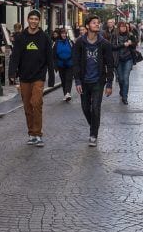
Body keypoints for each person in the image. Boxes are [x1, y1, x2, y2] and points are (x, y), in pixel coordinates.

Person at [7, 10, 55, 146]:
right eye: (31, 19)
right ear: (27, 20)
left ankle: (38, 134)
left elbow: (49, 58)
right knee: (27, 106)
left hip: (38, 76)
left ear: (39, 21)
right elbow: (15, 56)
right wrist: (12, 73)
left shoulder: (44, 37)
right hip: (24, 76)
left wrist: (51, 77)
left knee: (36, 103)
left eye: (36, 19)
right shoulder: (21, 37)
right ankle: (31, 134)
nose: (34, 21)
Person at [72, 15, 115, 147]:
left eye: (98, 22)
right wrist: (77, 81)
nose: (97, 24)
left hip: (98, 81)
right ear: (87, 26)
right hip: (84, 81)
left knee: (95, 108)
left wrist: (109, 83)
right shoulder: (79, 42)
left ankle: (93, 134)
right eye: (94, 23)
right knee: (85, 108)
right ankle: (94, 126)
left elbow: (110, 63)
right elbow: (76, 63)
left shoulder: (105, 44)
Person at [110, 21, 137, 105]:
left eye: (124, 27)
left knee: (126, 78)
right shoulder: (114, 36)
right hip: (118, 59)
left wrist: (131, 43)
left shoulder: (130, 35)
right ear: (118, 28)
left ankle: (125, 97)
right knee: (120, 79)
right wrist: (123, 44)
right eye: (121, 27)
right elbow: (112, 47)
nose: (123, 28)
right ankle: (122, 91)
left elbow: (135, 44)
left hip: (128, 59)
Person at [52, 27, 74, 102]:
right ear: (60, 34)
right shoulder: (56, 43)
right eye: (62, 33)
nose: (64, 35)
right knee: (63, 80)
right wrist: (55, 66)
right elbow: (54, 55)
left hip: (70, 64)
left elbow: (75, 53)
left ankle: (68, 93)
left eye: (65, 33)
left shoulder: (70, 42)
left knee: (69, 79)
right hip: (60, 64)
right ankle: (66, 94)